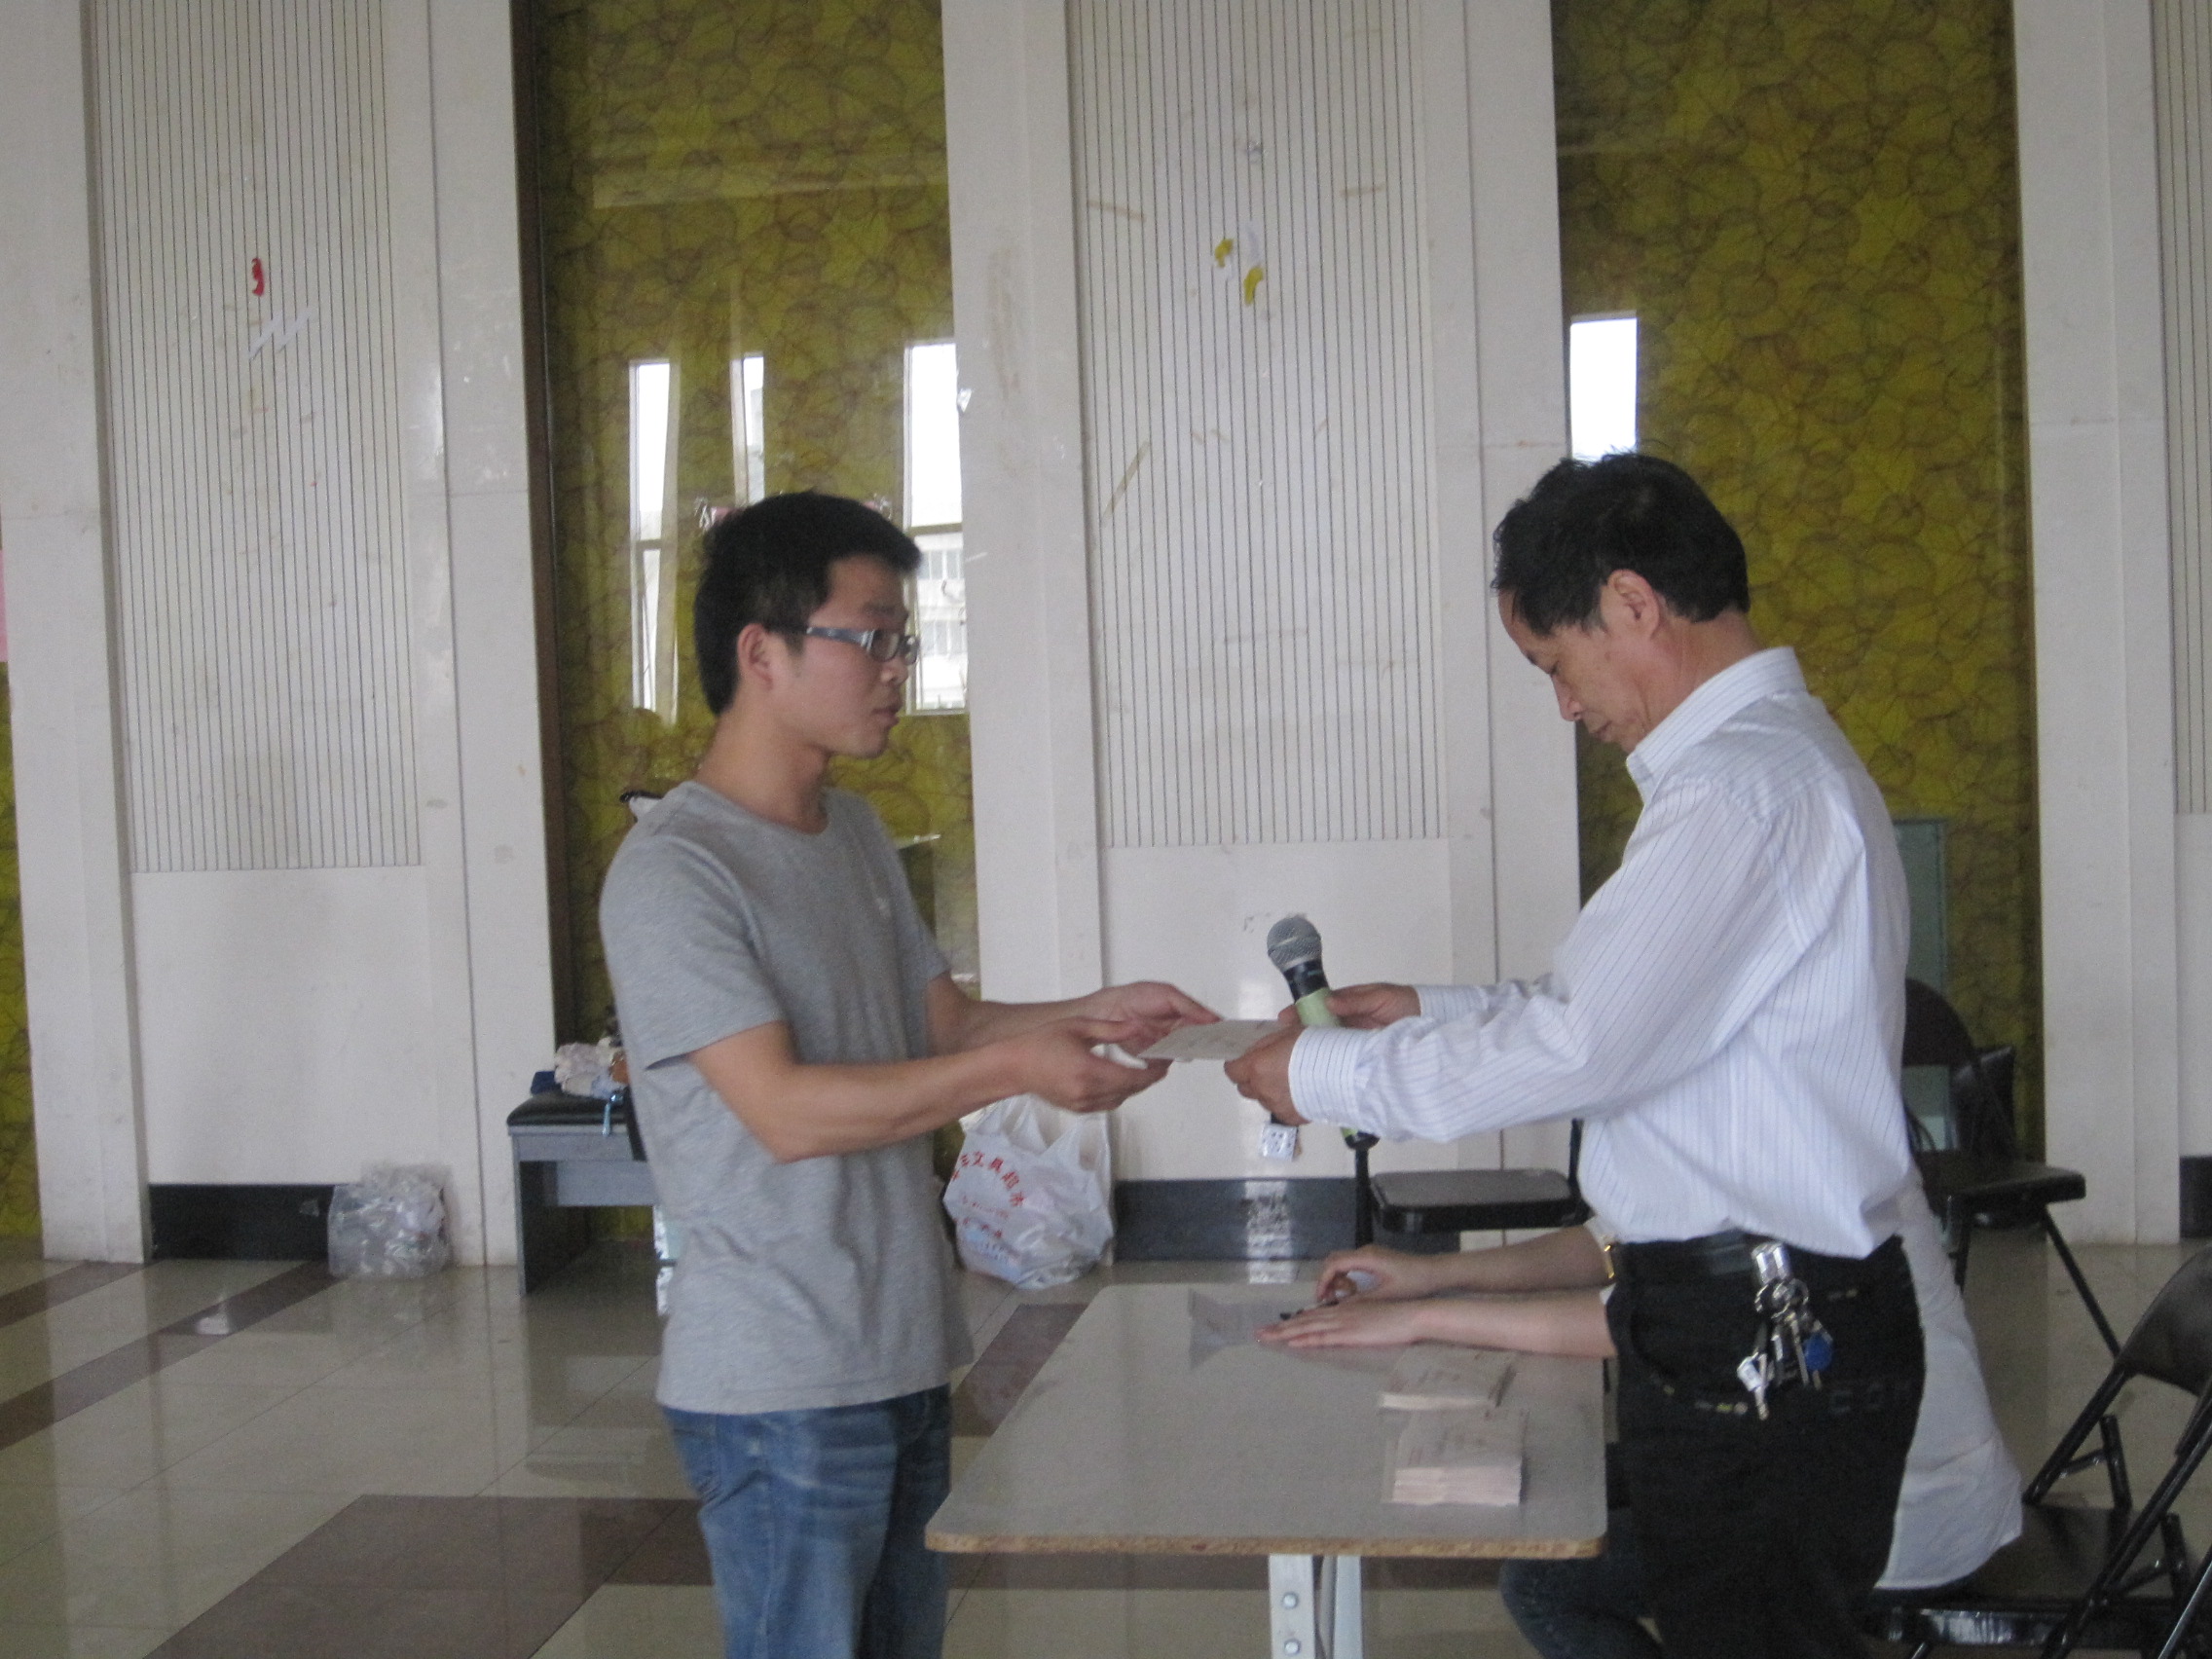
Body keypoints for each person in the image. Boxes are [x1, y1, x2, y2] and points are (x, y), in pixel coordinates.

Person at [1226, 452, 1978, 1657]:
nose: (1565, 707)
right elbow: (1612, 1009)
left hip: (1764, 1328)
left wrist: (1316, 1075)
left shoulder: (1740, 790)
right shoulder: (1763, 767)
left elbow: (1583, 1044)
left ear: (1630, 603)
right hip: (1749, 1314)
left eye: (1552, 664)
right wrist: (1424, 1009)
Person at [601, 492, 1212, 1659]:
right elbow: (782, 1111)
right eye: (871, 637)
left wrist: (1090, 1013)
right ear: (762, 653)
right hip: (777, 1380)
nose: (897, 671)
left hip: (900, 1345)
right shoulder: (675, 871)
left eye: (904, 641)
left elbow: (943, 1025)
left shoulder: (855, 835)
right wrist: (1016, 1067)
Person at [1262, 1189, 2019, 1657]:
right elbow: (1610, 1245)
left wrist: (1423, 1319)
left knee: (1545, 1584)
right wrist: (1435, 1275)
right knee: (1563, 1475)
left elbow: (1649, 1323)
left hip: (1901, 1510)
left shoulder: (1795, 1152)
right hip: (1806, 1455)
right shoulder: (1736, 1108)